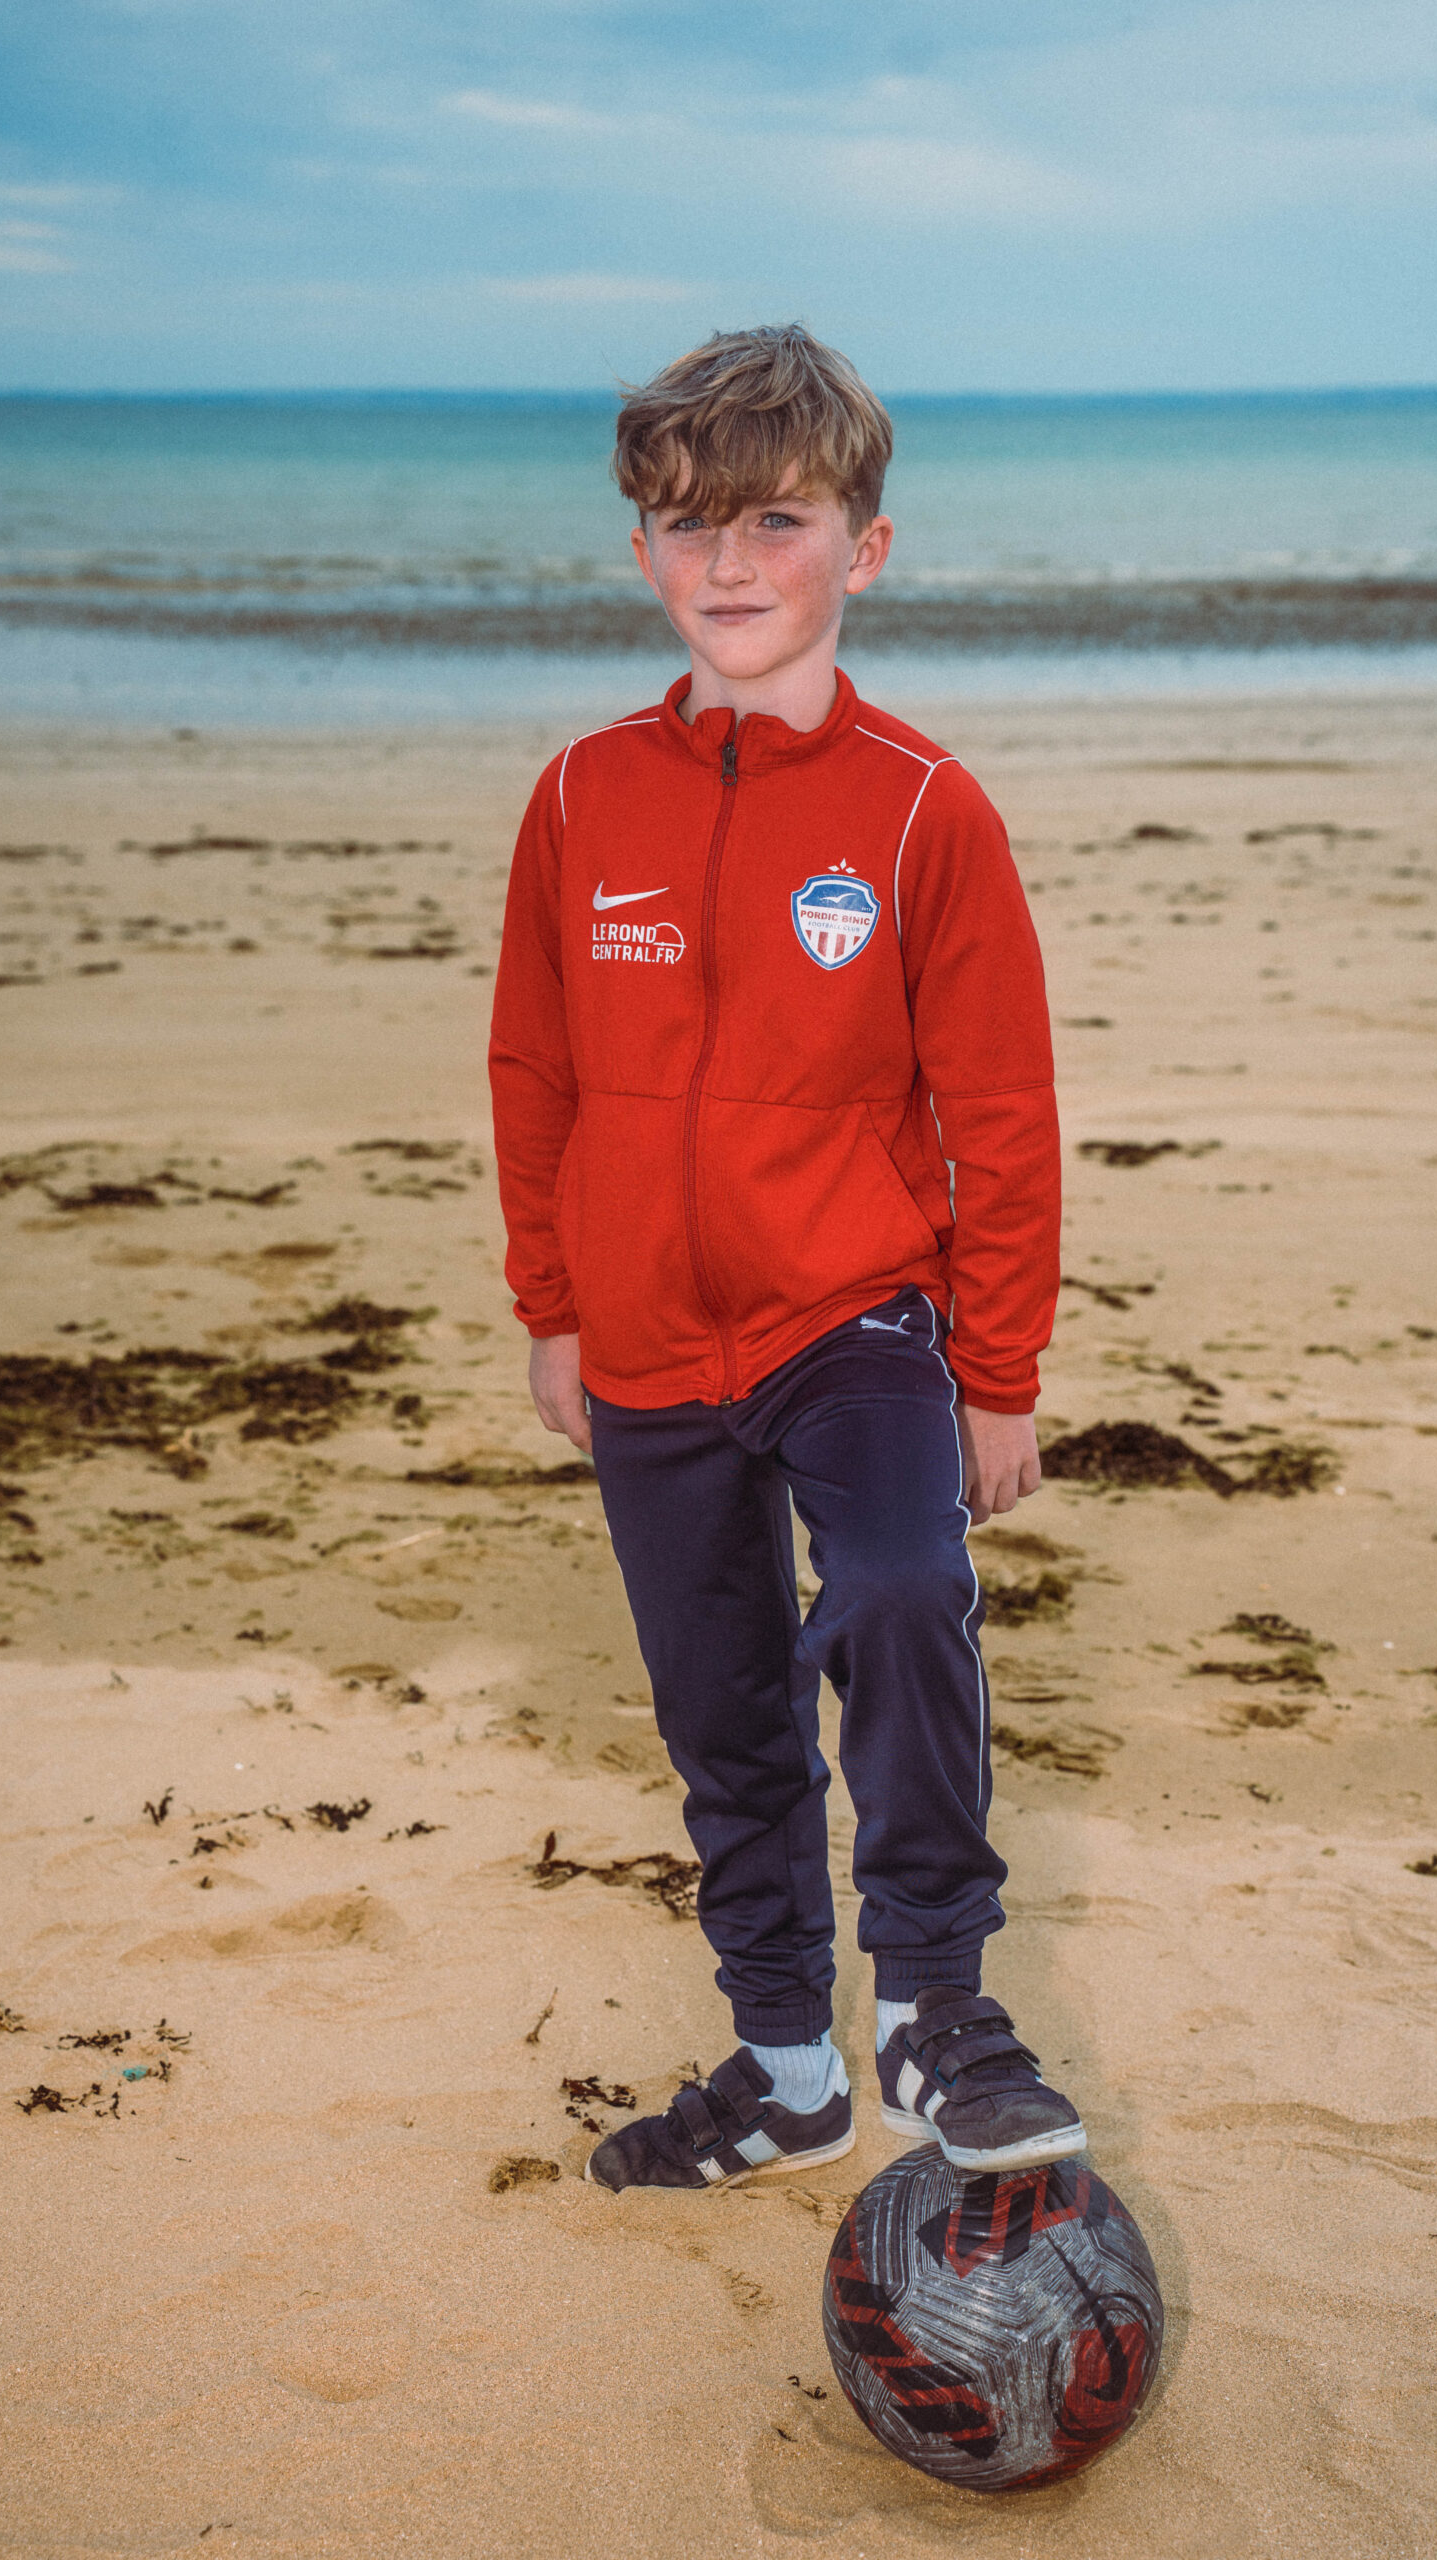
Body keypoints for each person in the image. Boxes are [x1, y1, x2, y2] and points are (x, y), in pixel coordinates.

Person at [488, 324, 1083, 2192]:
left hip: (857, 1317)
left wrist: (1000, 1374)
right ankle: (787, 2067)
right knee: (724, 1710)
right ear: (641, 552)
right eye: (688, 524)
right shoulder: (581, 795)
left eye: (776, 520)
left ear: (864, 548)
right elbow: (534, 1069)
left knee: (900, 1588)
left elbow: (1003, 1116)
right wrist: (555, 1307)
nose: (729, 562)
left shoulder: (922, 807)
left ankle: (935, 2011)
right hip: (645, 1339)